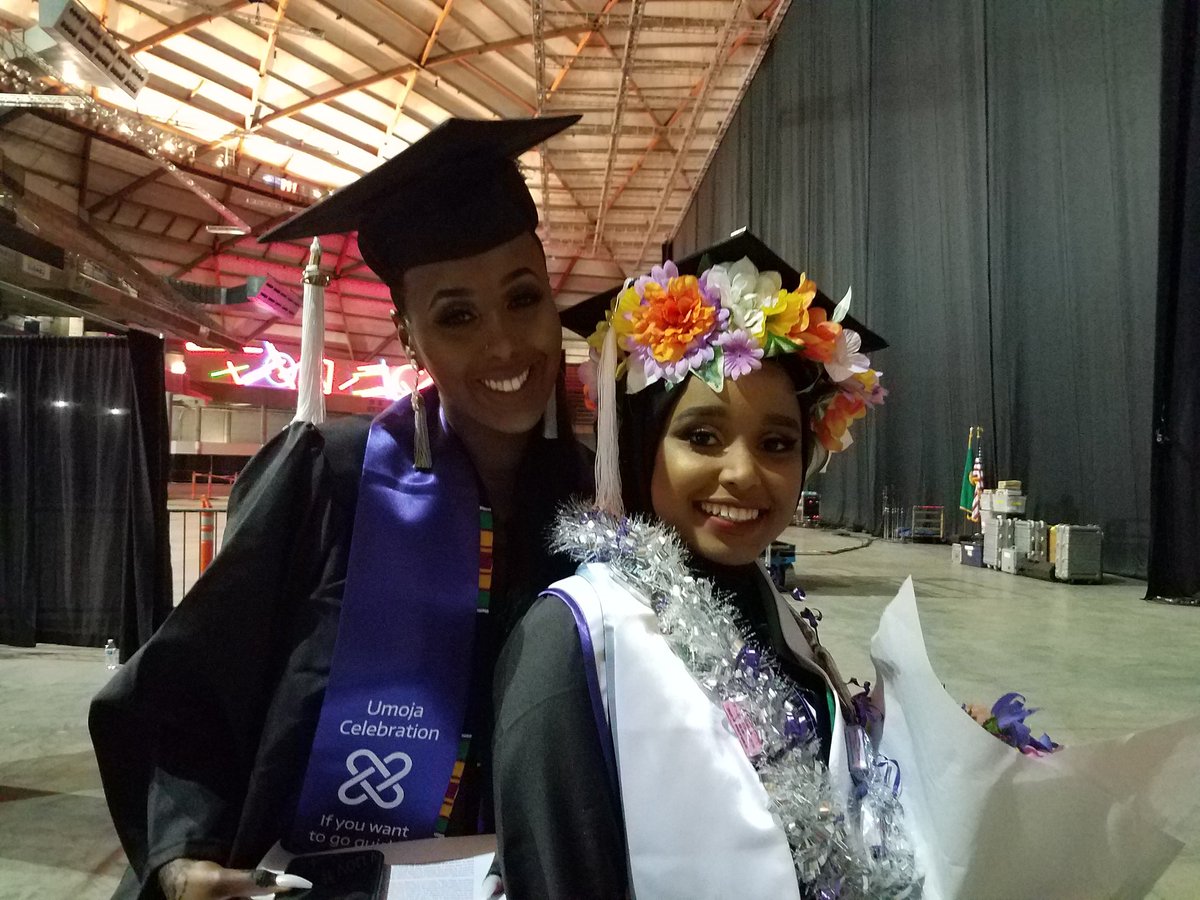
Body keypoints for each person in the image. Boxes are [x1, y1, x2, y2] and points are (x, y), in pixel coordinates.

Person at [89, 115, 593, 900]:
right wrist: (181, 853)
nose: (502, 344)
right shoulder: (331, 478)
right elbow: (186, 688)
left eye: (522, 298)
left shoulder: (598, 509)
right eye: (456, 315)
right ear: (410, 337)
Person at [491, 233, 915, 899]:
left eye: (778, 443)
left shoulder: (777, 617)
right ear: (640, 446)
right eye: (702, 436)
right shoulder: (578, 639)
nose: (745, 473)